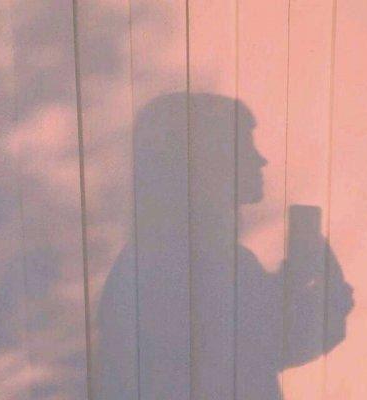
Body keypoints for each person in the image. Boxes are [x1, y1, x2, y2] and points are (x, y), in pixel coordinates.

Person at [96, 93, 353, 399]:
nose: (261, 159)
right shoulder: (192, 263)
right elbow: (272, 342)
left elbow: (263, 343)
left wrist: (303, 291)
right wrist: (325, 294)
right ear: (208, 158)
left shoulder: (162, 259)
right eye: (245, 146)